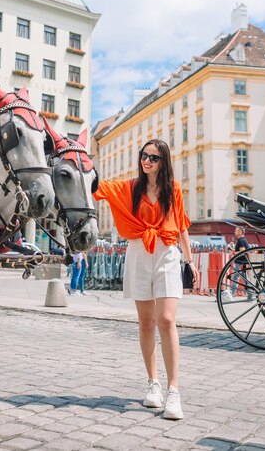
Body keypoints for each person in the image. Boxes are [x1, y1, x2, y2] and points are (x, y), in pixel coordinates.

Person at [93, 139, 198, 420]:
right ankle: (153, 384)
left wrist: (189, 259)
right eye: (144, 156)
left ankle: (173, 390)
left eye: (153, 157)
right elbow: (97, 187)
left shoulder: (173, 188)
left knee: (166, 320)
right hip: (139, 252)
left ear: (163, 162)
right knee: (146, 323)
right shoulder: (130, 187)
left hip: (166, 252)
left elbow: (182, 223)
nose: (147, 161)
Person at [231, 226, 254, 301]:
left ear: (240, 232)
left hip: (240, 263)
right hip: (242, 262)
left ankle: (232, 295)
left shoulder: (241, 241)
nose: (235, 232)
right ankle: (250, 295)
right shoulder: (242, 240)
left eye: (236, 231)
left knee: (236, 278)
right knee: (244, 279)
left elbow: (242, 252)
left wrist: (234, 253)